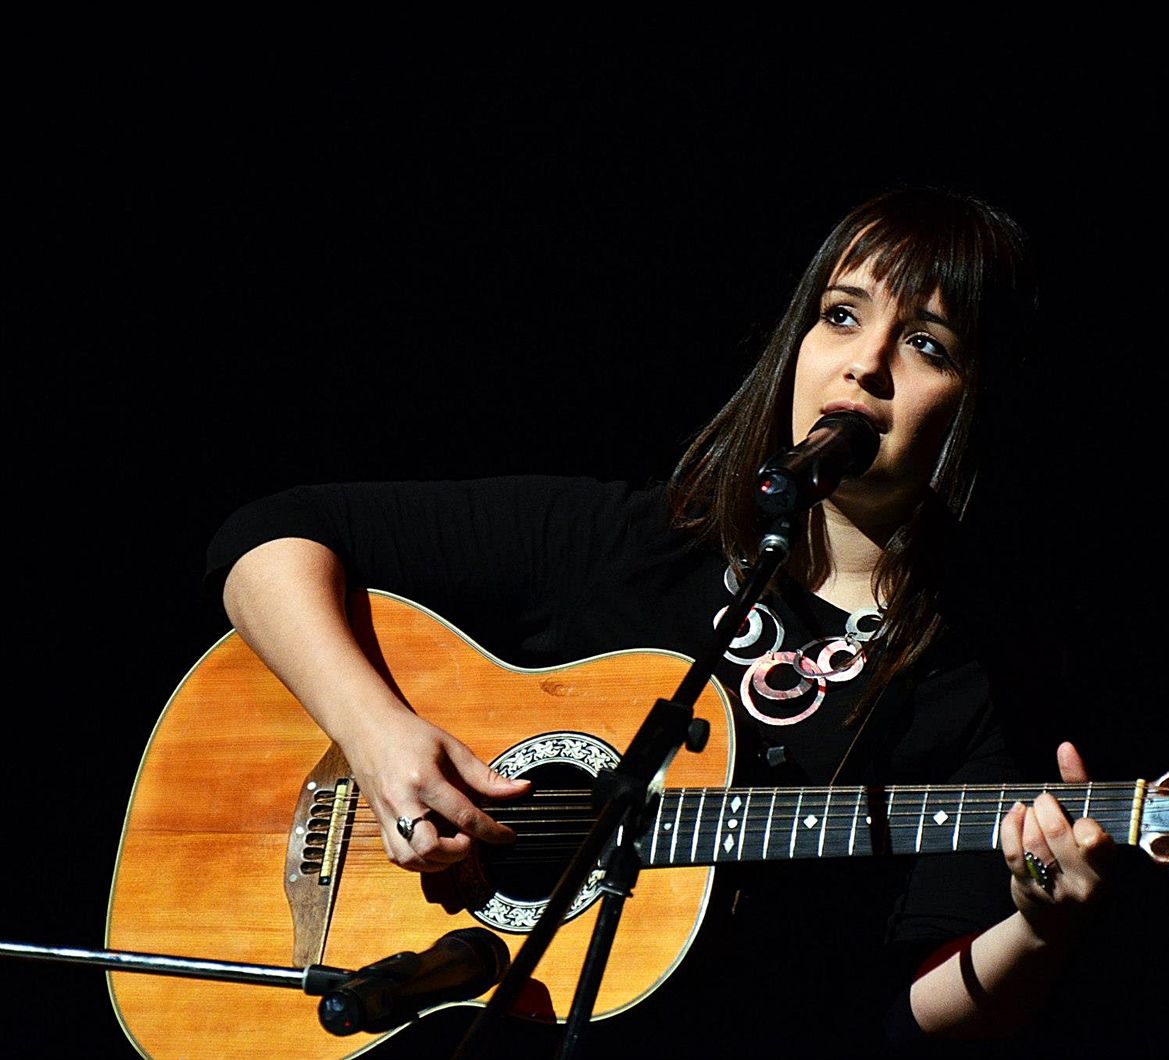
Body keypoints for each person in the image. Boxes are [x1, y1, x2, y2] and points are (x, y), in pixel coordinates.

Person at [207, 185, 1112, 1056]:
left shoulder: (972, 685)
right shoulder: (630, 543)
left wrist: (1040, 928)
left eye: (925, 343)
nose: (863, 364)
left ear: (977, 400)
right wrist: (380, 740)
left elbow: (914, 1008)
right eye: (841, 315)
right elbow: (266, 540)